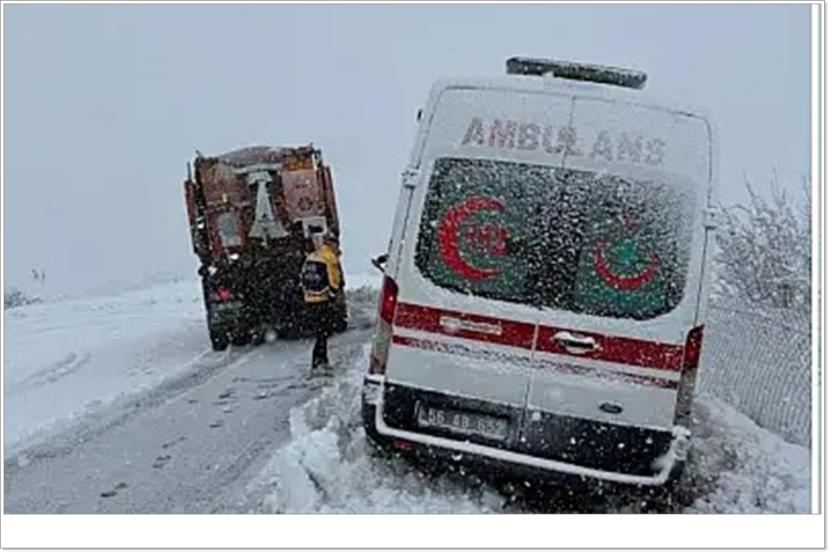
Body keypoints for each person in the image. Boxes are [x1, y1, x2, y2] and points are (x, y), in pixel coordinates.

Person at [301, 232, 343, 370]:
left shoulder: (312, 256)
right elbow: (334, 279)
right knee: (323, 333)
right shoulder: (330, 257)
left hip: (309, 299)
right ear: (332, 244)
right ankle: (319, 361)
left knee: (319, 333)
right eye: (337, 244)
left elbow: (303, 277)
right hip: (322, 299)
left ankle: (319, 360)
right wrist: (333, 296)